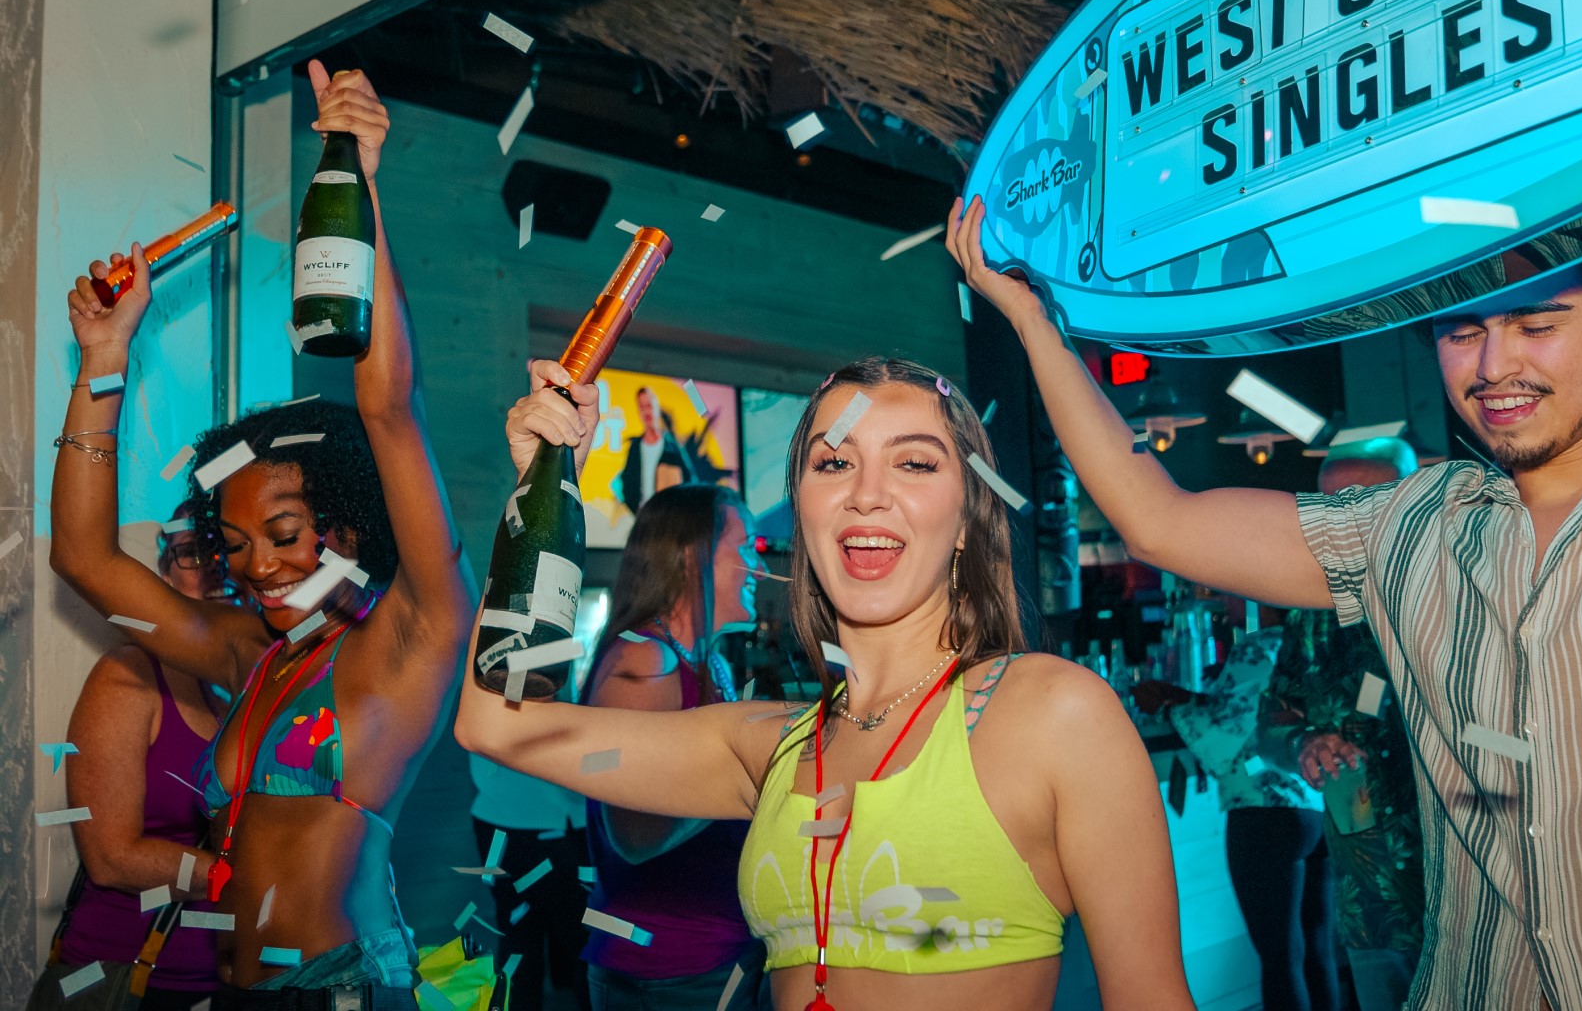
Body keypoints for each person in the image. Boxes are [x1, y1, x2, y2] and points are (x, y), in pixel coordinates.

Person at [949, 197, 1582, 1010]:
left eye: (1538, 323)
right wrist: (1033, 322)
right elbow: (1160, 522)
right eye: (1463, 330)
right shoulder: (1406, 528)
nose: (1495, 365)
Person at [459, 355, 1195, 1011]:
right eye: (833, 464)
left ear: (969, 517)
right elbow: (494, 721)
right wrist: (540, 494)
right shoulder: (765, 746)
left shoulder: (1054, 714)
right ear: (805, 510)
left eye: (915, 464)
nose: (865, 495)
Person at [52, 62, 474, 1006]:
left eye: (283, 532)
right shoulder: (257, 656)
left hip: (342, 989)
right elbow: (81, 558)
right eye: (236, 547)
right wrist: (103, 363)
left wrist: (355, 181)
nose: (260, 568)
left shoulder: (411, 639)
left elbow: (389, 406)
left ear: (348, 529)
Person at [581, 482, 764, 1010]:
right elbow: (636, 833)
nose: (759, 560)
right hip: (664, 971)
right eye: (745, 545)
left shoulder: (712, 662)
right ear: (693, 556)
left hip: (718, 952)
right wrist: (756, 779)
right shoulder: (644, 661)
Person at [52, 509, 234, 1009]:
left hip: (234, 986)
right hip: (127, 983)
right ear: (163, 570)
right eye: (194, 552)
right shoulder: (128, 677)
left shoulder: (258, 682)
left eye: (228, 547)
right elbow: (111, 857)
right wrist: (239, 877)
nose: (214, 565)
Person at [1278, 439, 1427, 1011]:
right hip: (1369, 900)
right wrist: (1303, 743)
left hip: (1473, 897)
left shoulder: (1459, 586)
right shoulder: (1309, 606)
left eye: (1364, 499)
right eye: (1328, 502)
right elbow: (1272, 721)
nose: (1342, 518)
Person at [1134, 625, 1338, 1011]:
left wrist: (1169, 704)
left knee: (1280, 958)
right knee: (1318, 949)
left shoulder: (1256, 647)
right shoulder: (1306, 639)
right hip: (1313, 808)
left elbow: (1226, 738)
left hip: (1260, 808)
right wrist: (1193, 697)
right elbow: (1260, 719)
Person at [468, 732, 588, 1011]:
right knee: (584, 939)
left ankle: (546, 993)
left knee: (519, 932)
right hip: (559, 822)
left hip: (495, 817)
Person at [618, 387, 688, 513]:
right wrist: (636, 509)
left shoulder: (672, 446)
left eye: (649, 405)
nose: (646, 412)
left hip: (667, 517)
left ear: (657, 407)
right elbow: (626, 482)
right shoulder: (635, 448)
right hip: (644, 517)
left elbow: (690, 479)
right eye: (642, 407)